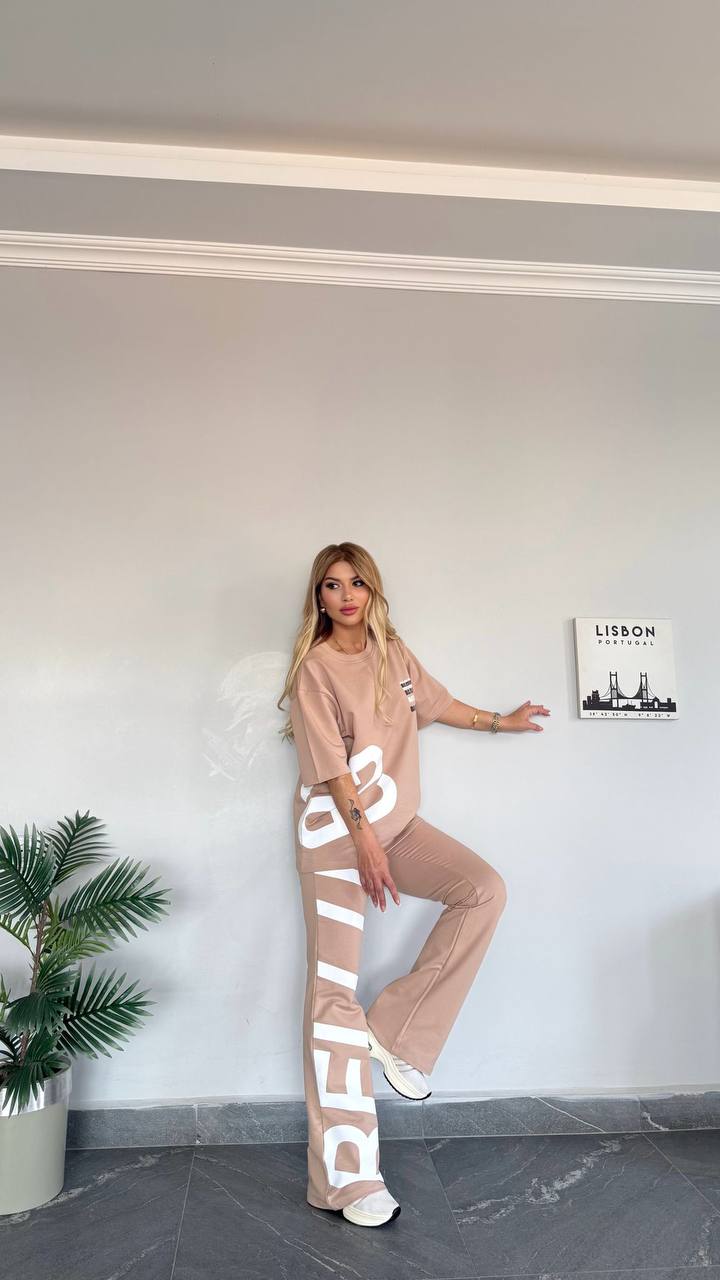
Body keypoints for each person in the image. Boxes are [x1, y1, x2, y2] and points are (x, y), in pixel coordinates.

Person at [277, 541, 550, 1228]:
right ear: (318, 598)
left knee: (482, 889)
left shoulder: (394, 656)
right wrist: (365, 845)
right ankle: (347, 1181)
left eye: (356, 582)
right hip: (335, 840)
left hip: (395, 829)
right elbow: (332, 769)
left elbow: (441, 704)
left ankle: (395, 1030)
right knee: (332, 996)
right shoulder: (315, 669)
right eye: (332, 585)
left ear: (373, 591)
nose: (345, 595)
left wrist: (503, 722)